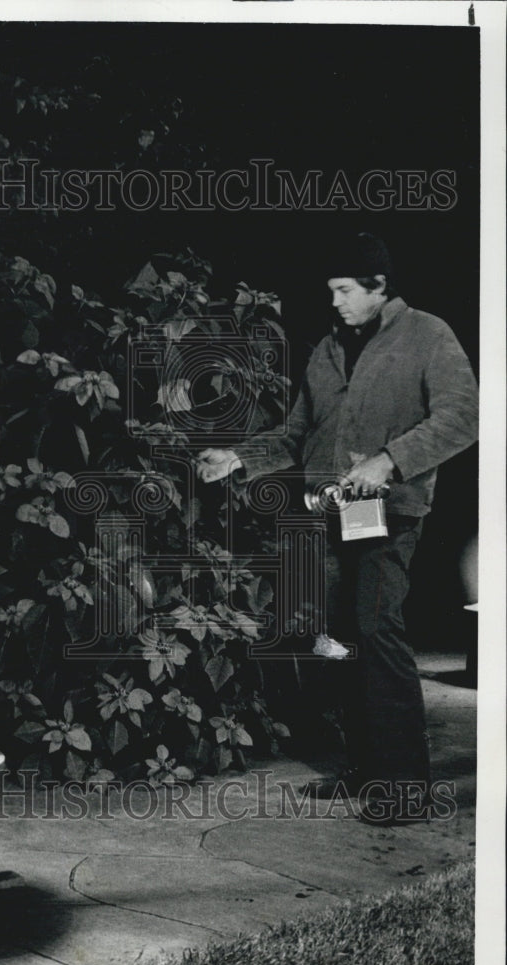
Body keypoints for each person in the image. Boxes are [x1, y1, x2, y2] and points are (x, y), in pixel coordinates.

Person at [196, 233, 479, 825]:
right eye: (331, 291)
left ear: (379, 287)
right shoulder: (327, 349)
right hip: (333, 511)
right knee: (344, 637)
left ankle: (405, 788)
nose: (336, 302)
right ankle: (368, 771)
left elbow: (464, 414)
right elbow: (297, 433)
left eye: (346, 290)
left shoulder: (428, 334)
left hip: (391, 509)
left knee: (378, 631)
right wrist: (241, 457)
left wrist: (389, 460)